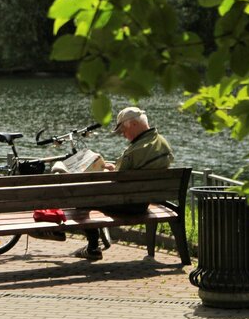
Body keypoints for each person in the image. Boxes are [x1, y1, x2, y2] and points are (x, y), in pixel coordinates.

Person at [72, 106, 174, 261]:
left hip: (129, 205)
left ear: (133, 124)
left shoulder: (134, 151)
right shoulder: (163, 143)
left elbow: (116, 179)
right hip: (144, 201)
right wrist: (115, 169)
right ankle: (93, 246)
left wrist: (105, 170)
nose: (124, 136)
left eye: (123, 131)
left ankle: (93, 247)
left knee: (82, 199)